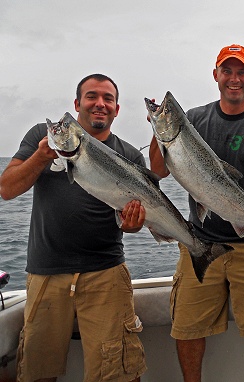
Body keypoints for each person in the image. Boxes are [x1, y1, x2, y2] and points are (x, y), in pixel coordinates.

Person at [149, 44, 244, 382]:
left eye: (241, 71)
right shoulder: (193, 120)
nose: (234, 78)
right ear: (215, 75)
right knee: (186, 328)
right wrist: (159, 131)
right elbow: (159, 170)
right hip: (200, 242)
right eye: (227, 71)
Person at [0, 74, 147, 382]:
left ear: (117, 110)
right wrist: (40, 156)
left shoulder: (130, 155)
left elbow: (128, 221)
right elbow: (7, 189)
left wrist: (133, 224)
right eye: (92, 96)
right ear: (78, 104)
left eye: (108, 99)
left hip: (106, 272)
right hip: (46, 273)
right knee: (37, 371)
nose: (100, 104)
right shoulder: (43, 136)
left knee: (117, 372)